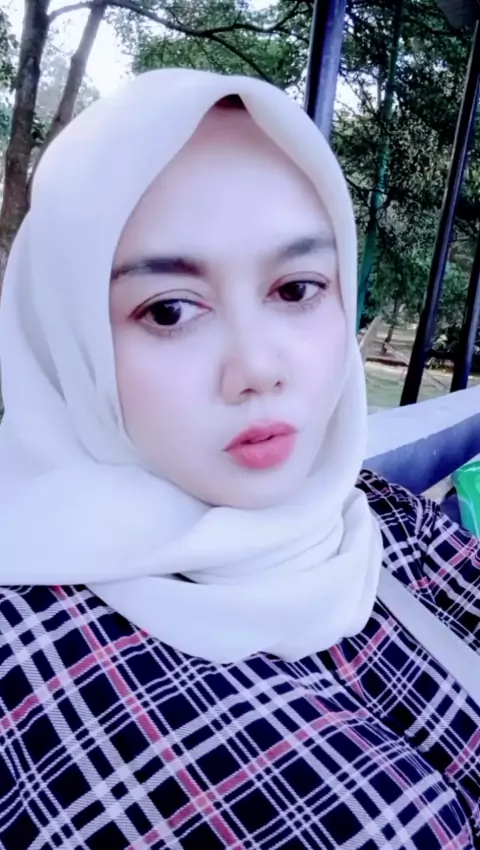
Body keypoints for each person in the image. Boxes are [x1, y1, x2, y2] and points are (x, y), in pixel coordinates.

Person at [0, 68, 478, 850]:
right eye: (169, 310)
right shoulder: (27, 658)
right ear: (67, 338)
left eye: (296, 289)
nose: (257, 367)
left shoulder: (375, 519)